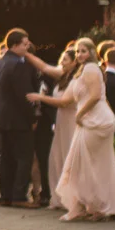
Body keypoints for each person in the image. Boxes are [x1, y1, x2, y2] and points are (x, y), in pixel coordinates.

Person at [31, 38, 115, 220]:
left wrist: (80, 114)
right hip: (89, 121)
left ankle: (90, 207)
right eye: (78, 51)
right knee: (86, 164)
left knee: (83, 164)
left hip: (95, 121)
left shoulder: (91, 69)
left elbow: (96, 96)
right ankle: (90, 206)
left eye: (83, 51)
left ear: (91, 53)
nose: (80, 54)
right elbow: (66, 100)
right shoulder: (82, 71)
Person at [0, 29, 63, 207]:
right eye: (24, 44)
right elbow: (24, 95)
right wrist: (32, 118)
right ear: (15, 45)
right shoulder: (19, 64)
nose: (27, 46)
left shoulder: (2, 60)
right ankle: (18, 196)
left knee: (6, 157)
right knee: (23, 158)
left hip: (4, 117)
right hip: (19, 119)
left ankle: (6, 195)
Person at [40, 44, 79, 209]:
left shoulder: (76, 80)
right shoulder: (62, 77)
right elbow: (43, 67)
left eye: (65, 60)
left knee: (69, 160)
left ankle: (72, 199)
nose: (61, 62)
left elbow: (64, 103)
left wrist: (40, 98)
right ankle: (57, 198)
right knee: (55, 159)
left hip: (72, 121)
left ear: (74, 63)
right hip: (60, 122)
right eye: (61, 59)